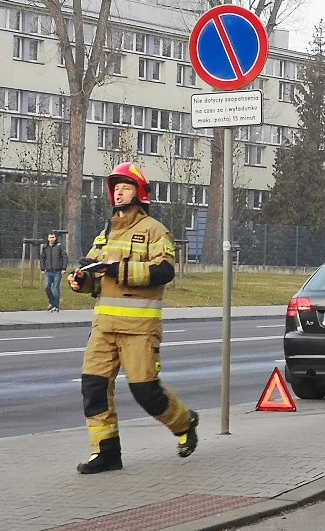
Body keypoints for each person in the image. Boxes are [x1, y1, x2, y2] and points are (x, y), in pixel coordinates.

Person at [67, 162, 199, 474]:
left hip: (139, 329)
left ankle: (185, 422)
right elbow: (93, 271)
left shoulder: (155, 230)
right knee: (93, 388)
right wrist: (80, 280)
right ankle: (107, 453)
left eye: (124, 187)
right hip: (104, 328)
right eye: (115, 187)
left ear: (139, 192)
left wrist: (117, 269)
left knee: (146, 392)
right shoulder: (106, 233)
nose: (118, 192)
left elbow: (163, 272)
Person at [40, 231, 68, 312]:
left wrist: (64, 268)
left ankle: (56, 306)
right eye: (50, 237)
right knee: (47, 287)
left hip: (57, 271)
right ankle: (53, 302)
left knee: (56, 288)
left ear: (55, 238)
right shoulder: (45, 247)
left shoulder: (60, 246)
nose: (51, 239)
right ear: (48, 238)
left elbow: (64, 257)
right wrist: (42, 268)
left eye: (53, 237)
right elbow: (42, 258)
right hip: (49, 271)